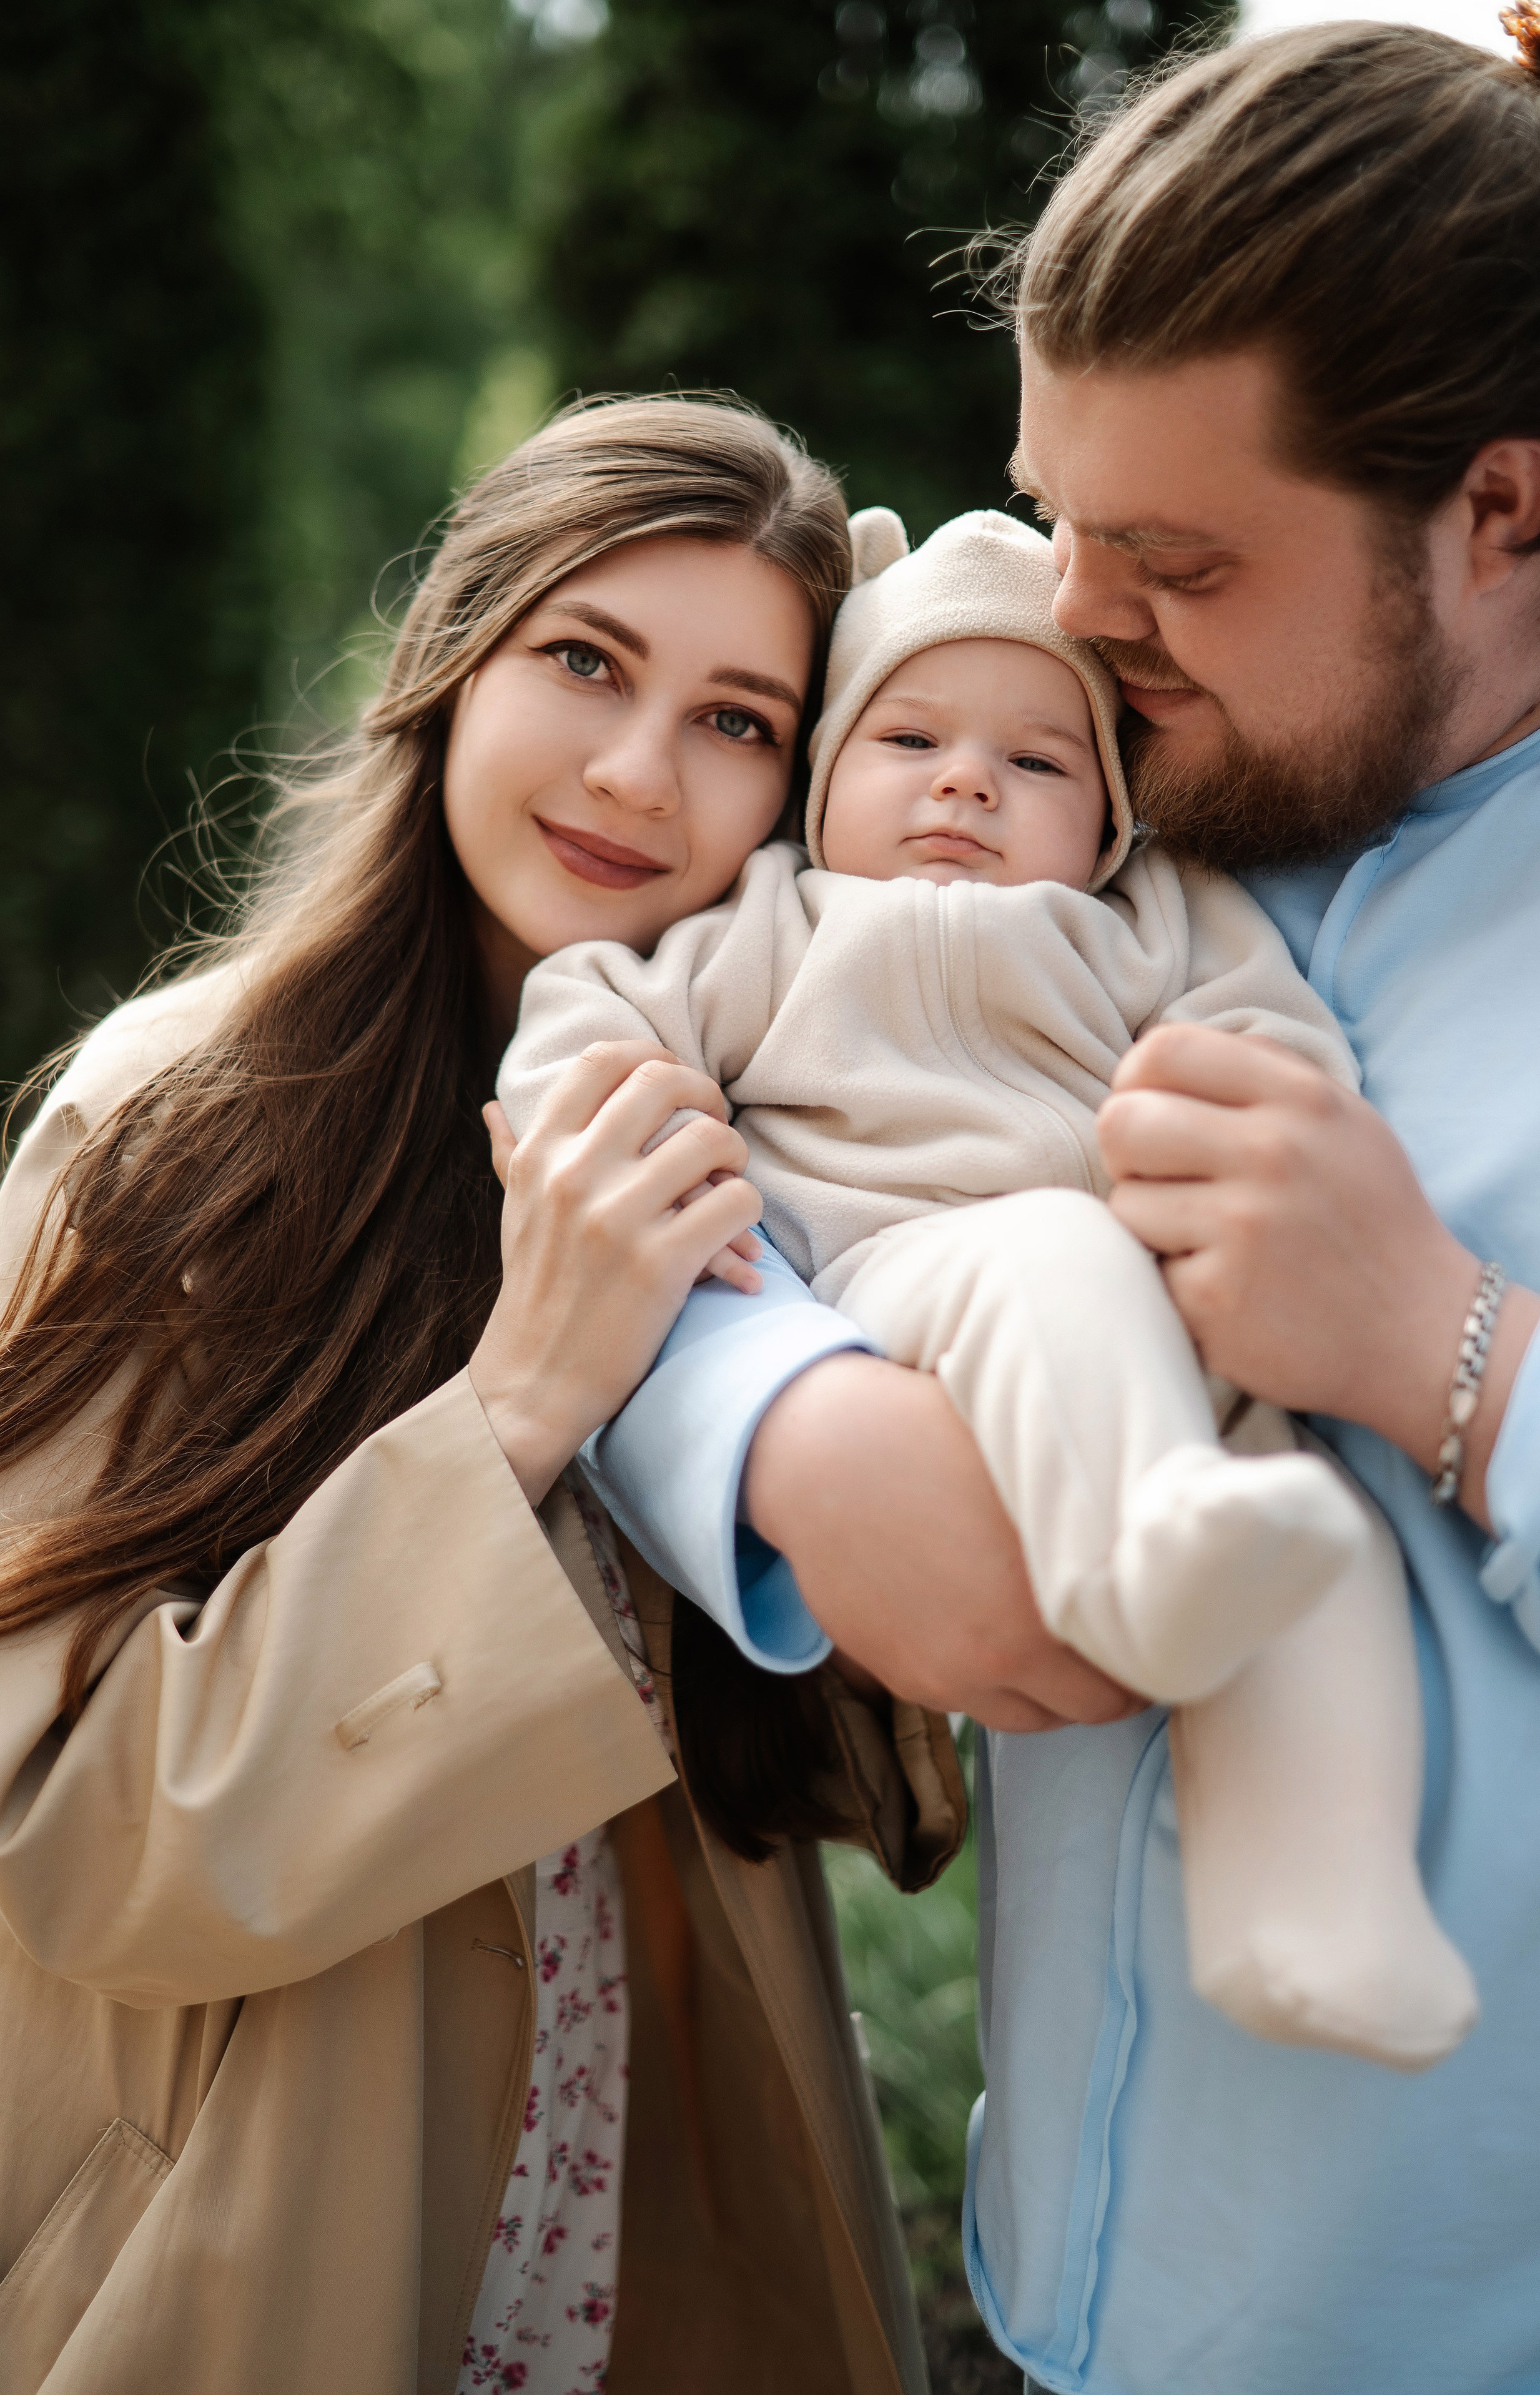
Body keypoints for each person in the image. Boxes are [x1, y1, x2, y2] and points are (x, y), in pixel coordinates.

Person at [586, 19, 1540, 2394]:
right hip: (1056, 2291)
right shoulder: (1109, 806)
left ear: (1507, 515)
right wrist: (767, 1420)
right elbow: (687, 1143)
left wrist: (1450, 1348)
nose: (1083, 623)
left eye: (1182, 561)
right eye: (1061, 516)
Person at [0, 395, 973, 2395]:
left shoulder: (766, 1159)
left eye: (738, 719)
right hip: (241, 2254)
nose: (634, 771)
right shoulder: (176, 1128)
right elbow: (52, 1829)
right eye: (584, 660)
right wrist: (516, 1405)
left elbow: (855, 1764)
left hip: (644, 2247)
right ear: (451, 658)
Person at [501, 498, 1478, 2072]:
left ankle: (1304, 1897)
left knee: (1324, 1548)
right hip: (901, 1279)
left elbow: (1275, 1045)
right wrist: (624, 1143)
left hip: (1166, 1315)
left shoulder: (1153, 919)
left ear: (1106, 825)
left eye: (1037, 762)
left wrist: (1242, 1128)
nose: (966, 780)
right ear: (822, 790)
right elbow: (586, 1021)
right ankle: (1145, 1549)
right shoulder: (778, 922)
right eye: (908, 740)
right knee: (1050, 1261)